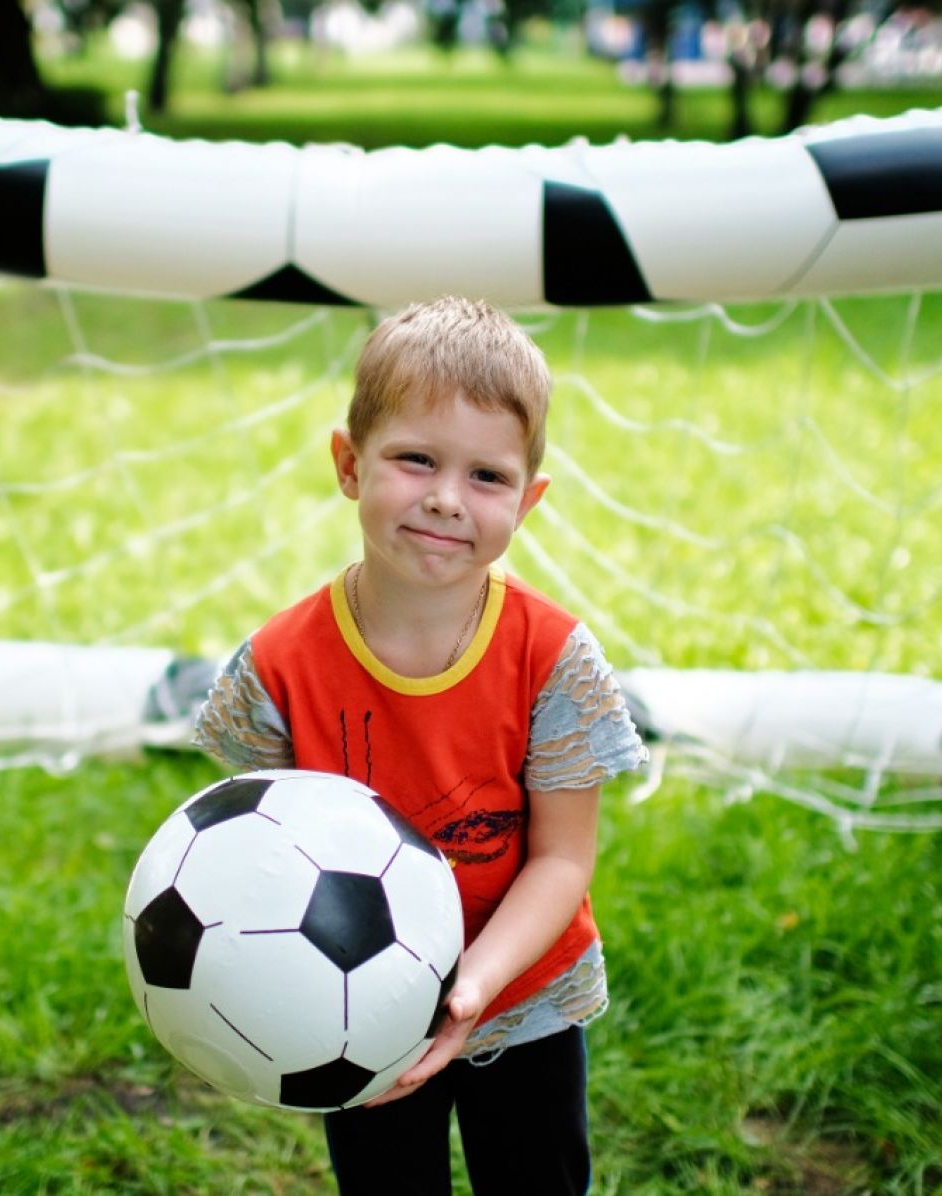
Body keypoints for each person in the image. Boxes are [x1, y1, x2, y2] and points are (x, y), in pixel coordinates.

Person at [193, 295, 648, 1194]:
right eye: (414, 459)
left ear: (530, 499)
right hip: (349, 1007)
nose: (445, 497)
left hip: (523, 1003)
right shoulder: (280, 667)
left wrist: (473, 985)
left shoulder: (552, 659)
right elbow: (255, 859)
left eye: (487, 476)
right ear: (348, 464)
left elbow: (562, 862)